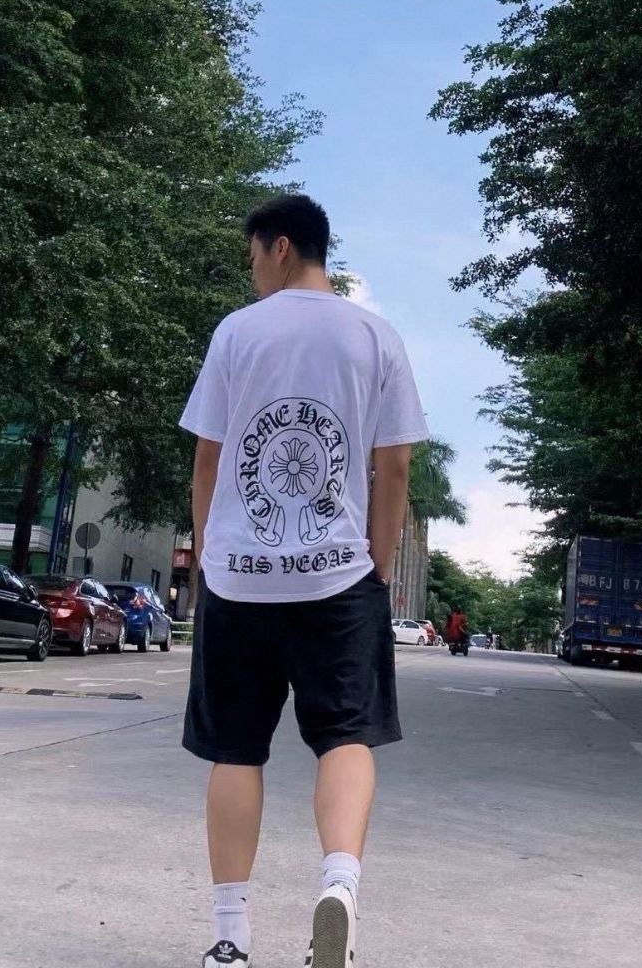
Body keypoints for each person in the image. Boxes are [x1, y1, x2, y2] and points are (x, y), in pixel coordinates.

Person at [180, 193, 429, 968]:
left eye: (252, 255)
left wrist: (210, 554)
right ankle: (339, 885)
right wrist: (377, 563)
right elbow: (393, 466)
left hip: (240, 580)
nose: (252, 271)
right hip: (338, 578)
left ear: (280, 247)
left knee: (235, 750)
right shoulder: (376, 336)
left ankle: (230, 935)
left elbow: (209, 457)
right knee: (346, 737)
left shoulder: (237, 332)